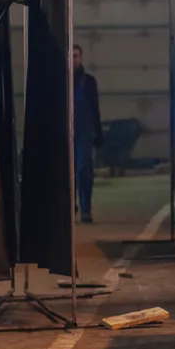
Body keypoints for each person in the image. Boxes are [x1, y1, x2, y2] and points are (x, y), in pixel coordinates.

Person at [72, 45, 103, 222]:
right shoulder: (62, 80)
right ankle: (70, 206)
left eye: (76, 56)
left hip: (84, 132)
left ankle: (85, 209)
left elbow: (95, 107)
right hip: (67, 132)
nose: (73, 59)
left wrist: (98, 131)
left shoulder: (89, 81)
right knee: (68, 172)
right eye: (71, 56)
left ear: (81, 58)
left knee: (83, 169)